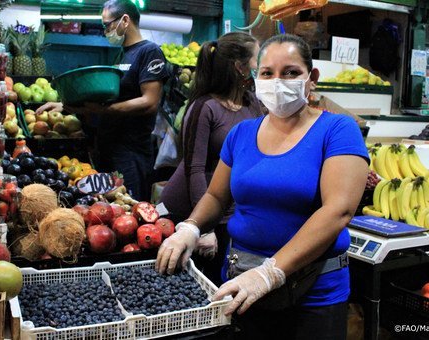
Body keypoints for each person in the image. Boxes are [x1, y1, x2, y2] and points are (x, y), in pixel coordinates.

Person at [155, 34, 369, 340]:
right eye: (267, 73)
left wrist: (271, 272)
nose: (278, 81)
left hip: (313, 293)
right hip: (242, 282)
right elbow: (216, 195)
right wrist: (190, 227)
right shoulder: (242, 133)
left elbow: (338, 210)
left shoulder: (337, 130)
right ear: (256, 78)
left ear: (312, 78)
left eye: (291, 72)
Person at [37, 0, 170, 201]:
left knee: (128, 208)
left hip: (131, 153)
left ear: (125, 20)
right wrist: (67, 106)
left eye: (107, 25)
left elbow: (150, 102)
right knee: (108, 207)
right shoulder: (121, 54)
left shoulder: (149, 52)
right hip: (109, 147)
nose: (106, 30)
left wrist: (103, 111)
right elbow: (108, 97)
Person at [159, 32, 262, 285]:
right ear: (240, 67)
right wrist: (202, 227)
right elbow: (194, 168)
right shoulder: (205, 107)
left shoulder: (253, 105)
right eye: (257, 60)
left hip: (229, 210)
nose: (260, 67)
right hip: (191, 208)